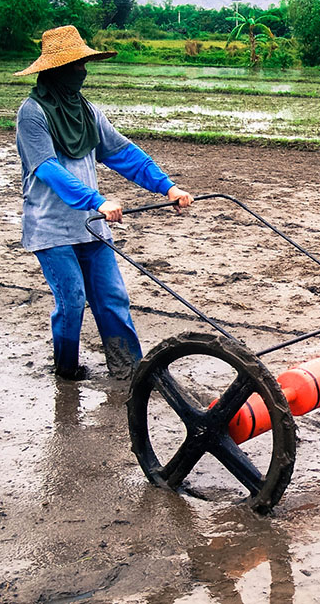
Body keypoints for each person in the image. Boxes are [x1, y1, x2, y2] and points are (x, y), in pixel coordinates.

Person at [13, 25, 194, 381]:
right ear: (56, 70)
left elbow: (124, 153)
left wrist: (167, 187)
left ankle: (130, 372)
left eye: (84, 64)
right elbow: (47, 169)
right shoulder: (32, 113)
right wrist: (95, 200)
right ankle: (67, 372)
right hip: (52, 229)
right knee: (72, 301)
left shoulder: (87, 112)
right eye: (76, 65)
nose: (83, 71)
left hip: (92, 227)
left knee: (112, 298)